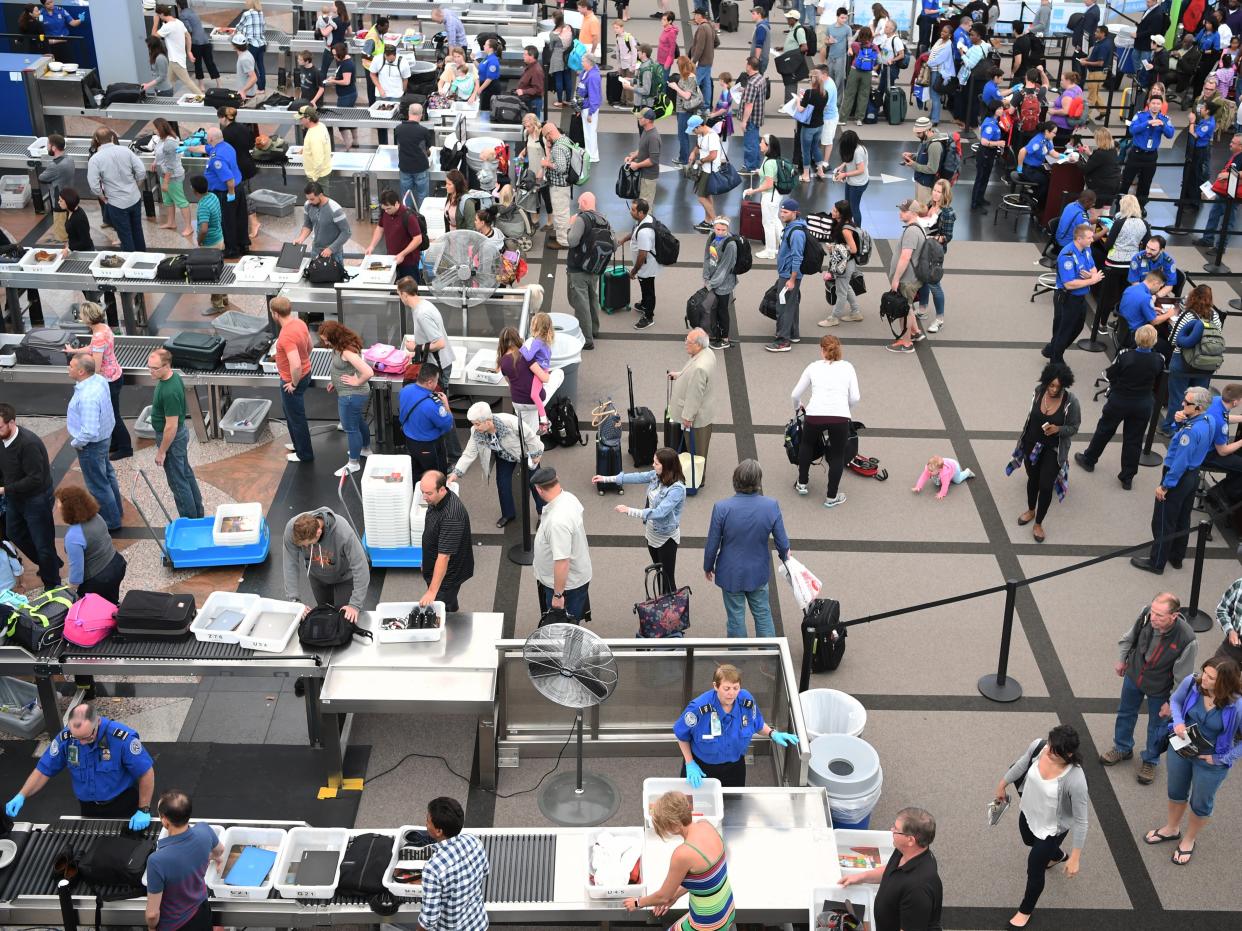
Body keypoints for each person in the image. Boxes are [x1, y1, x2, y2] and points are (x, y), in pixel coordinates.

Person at [1145, 656, 1242, 865]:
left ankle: (1189, 839)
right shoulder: (1193, 682)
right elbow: (1176, 701)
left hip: (1211, 762)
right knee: (1176, 791)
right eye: (1204, 672)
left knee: (1200, 803)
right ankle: (1172, 828)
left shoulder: (1238, 706)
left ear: (1224, 683)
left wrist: (1221, 758)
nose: (1203, 679)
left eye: (1210, 677)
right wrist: (1178, 721)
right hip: (1182, 747)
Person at [991, 726, 1089, 928]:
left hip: (1051, 829)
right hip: (1028, 811)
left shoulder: (1076, 780)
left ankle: (1025, 911)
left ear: (1069, 754)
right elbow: (1021, 765)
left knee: (1035, 869)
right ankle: (1057, 856)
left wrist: (1077, 857)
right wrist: (1002, 784)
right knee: (1027, 839)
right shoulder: (1040, 746)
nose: (1050, 753)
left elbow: (1081, 820)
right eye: (1050, 746)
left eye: (1057, 752)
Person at [1101, 592, 1198, 784]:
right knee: (1125, 712)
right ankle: (1122, 747)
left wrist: (1172, 703)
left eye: (1159, 615)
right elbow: (1129, 638)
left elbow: (1184, 678)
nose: (1153, 618)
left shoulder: (1187, 639)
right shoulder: (1146, 615)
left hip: (1161, 687)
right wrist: (1122, 660)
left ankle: (1151, 760)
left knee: (1158, 725)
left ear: (1174, 616)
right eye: (1153, 612)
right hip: (1135, 675)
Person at [5, 702, 153, 824]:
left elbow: (146, 772)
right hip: (88, 807)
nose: (81, 743)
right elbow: (44, 770)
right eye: (77, 738)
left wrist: (143, 809)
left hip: (122, 803)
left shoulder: (121, 738)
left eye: (86, 738)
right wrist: (22, 795)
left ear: (98, 723)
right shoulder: (67, 737)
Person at [671, 664, 798, 789]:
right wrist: (690, 763)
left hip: (734, 767)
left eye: (735, 688)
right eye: (726, 689)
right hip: (702, 767)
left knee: (734, 805)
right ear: (716, 686)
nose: (731, 693)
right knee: (698, 805)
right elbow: (681, 735)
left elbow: (756, 724)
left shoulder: (746, 701)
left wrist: (772, 733)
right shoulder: (699, 708)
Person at [1133, 386, 1214, 574]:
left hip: (1178, 477)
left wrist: (1165, 486)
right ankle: (1177, 557)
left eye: (1187, 403)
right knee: (1182, 518)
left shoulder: (1190, 432)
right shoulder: (1208, 420)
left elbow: (1180, 462)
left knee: (1163, 521)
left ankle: (1156, 562)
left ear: (1198, 408)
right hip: (1193, 476)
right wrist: (1182, 422)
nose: (1182, 404)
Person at [704, 459, 790, 637]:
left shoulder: (722, 508)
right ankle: (769, 657)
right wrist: (785, 557)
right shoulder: (771, 505)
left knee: (735, 617)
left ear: (735, 479)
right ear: (758, 481)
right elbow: (783, 543)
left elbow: (712, 542)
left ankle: (738, 660)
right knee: (763, 614)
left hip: (730, 571)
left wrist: (708, 566)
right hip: (758, 571)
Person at [625, 791, 735, 925]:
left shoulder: (683, 853)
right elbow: (706, 877)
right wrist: (675, 895)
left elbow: (663, 897)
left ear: (672, 824)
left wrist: (637, 902)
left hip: (709, 921)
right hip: (727, 907)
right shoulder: (706, 825)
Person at [1075, 326, 1165, 487]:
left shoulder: (1125, 355)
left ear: (1136, 338)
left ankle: (1089, 459)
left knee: (1104, 430)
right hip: (1143, 403)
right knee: (1134, 440)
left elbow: (1111, 374)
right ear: (1154, 341)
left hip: (1120, 399)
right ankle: (1127, 477)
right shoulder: (1159, 359)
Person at [592, 447, 687, 593]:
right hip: (651, 533)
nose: (652, 465)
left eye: (656, 463)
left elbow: (660, 512)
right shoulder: (657, 475)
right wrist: (606, 478)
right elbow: (637, 477)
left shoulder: (677, 489)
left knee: (667, 578)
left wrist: (629, 511)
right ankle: (664, 605)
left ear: (666, 466)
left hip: (666, 538)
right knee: (658, 570)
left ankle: (672, 610)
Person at [839, 807, 943, 931]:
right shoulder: (906, 851)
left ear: (910, 840)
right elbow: (890, 870)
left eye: (896, 830)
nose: (891, 830)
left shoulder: (918, 889)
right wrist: (861, 877)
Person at [1010, 363, 1080, 543]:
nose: (1054, 389)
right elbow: (1030, 417)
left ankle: (1039, 523)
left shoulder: (1071, 402)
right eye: (1051, 385)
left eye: (1058, 386)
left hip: (1053, 450)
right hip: (1031, 444)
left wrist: (1058, 429)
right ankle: (1031, 510)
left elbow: (1074, 427)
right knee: (1032, 479)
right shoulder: (1038, 391)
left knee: (1046, 486)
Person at [449, 402, 543, 529]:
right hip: (503, 456)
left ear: (488, 421)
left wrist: (536, 453)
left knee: (536, 483)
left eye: (477, 424)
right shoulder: (476, 432)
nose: (475, 427)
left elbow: (530, 436)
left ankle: (542, 514)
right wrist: (456, 472)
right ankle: (508, 514)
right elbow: (469, 453)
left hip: (524, 454)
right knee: (502, 483)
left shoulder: (510, 422)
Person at [791, 334, 859, 506]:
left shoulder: (813, 367)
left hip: (814, 414)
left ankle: (802, 483)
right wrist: (845, 410)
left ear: (822, 350)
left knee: (807, 445)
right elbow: (855, 398)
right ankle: (831, 496)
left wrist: (797, 406)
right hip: (840, 417)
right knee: (837, 456)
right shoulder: (848, 367)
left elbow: (795, 394)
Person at [145, 790, 223, 931]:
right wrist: (210, 857)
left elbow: (152, 914)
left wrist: (151, 928)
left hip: (173, 926)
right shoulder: (204, 830)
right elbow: (219, 850)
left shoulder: (156, 860)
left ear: (165, 820)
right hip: (201, 913)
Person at [0, 405, 59, 589]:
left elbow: (35, 479)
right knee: (14, 532)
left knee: (43, 543)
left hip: (36, 499)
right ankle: (50, 564)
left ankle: (52, 584)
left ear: (12, 422)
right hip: (15, 496)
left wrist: (4, 489)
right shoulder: (2, 440)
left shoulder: (28, 444)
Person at [144, 350, 203, 521]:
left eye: (154, 368)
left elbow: (171, 426)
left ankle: (189, 520)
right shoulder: (173, 377)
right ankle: (197, 512)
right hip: (178, 436)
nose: (151, 372)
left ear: (166, 366)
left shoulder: (169, 391)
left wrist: (162, 451)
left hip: (172, 439)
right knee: (185, 473)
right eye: (149, 368)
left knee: (178, 482)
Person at [66, 355, 122, 532]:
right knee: (107, 475)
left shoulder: (87, 397)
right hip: (105, 437)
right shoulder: (98, 379)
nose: (68, 368)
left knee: (98, 485)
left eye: (71, 366)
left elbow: (89, 431)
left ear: (81, 371)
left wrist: (77, 442)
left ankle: (111, 522)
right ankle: (116, 512)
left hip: (92, 445)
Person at [281, 508, 369, 621]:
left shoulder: (343, 532)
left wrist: (355, 605)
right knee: (326, 615)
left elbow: (361, 566)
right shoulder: (292, 529)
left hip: (344, 578)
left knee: (344, 619)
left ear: (318, 532)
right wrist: (294, 601)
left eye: (307, 544)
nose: (305, 547)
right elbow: (289, 564)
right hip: (317, 577)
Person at [419, 797, 489, 931]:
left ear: (439, 831)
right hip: (478, 924)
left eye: (428, 821)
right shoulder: (473, 841)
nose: (426, 824)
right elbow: (484, 871)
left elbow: (429, 919)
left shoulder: (433, 868)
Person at [1160, 286, 1223, 435]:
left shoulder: (1188, 316)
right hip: (1206, 365)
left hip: (1183, 363)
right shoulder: (1215, 316)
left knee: (1178, 397)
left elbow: (1174, 340)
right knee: (1198, 399)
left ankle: (1170, 427)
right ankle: (1190, 427)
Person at [530, 466, 591, 618]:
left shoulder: (557, 521)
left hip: (566, 587)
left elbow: (562, 561)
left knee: (564, 628)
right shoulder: (569, 497)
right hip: (573, 580)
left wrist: (558, 595)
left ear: (539, 490)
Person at [317, 321, 372, 476]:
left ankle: (353, 463)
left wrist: (357, 381)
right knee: (358, 421)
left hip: (350, 396)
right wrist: (334, 381)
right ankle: (365, 449)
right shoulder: (342, 345)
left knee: (351, 428)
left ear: (335, 337)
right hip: (351, 394)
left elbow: (368, 372)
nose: (325, 342)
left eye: (327, 339)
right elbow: (344, 368)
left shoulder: (347, 352)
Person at [1045, 223, 1103, 364]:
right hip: (1066, 297)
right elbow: (1069, 284)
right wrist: (1092, 280)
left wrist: (1090, 276)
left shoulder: (1086, 249)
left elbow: (1094, 268)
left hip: (1080, 296)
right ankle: (1056, 359)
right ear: (1078, 238)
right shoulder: (1067, 255)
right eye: (1089, 237)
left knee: (1077, 327)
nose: (1092, 240)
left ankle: (1051, 349)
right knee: (1063, 330)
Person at [418, 471, 474, 612]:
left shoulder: (451, 516)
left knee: (441, 611)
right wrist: (426, 561)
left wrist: (432, 592)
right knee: (449, 603)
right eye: (422, 492)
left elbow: (444, 557)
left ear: (442, 489)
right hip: (437, 568)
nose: (424, 497)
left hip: (448, 576)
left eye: (428, 493)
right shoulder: (436, 499)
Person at [86, 127, 147, 253]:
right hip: (134, 198)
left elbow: (94, 185)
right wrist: (136, 186)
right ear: (113, 137)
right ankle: (142, 257)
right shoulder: (126, 151)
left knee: (125, 235)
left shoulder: (95, 159)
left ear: (97, 140)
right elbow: (141, 171)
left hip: (115, 203)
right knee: (137, 231)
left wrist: (102, 197)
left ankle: (130, 264)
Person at [269, 296, 314, 465]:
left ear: (275, 314)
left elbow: (295, 365)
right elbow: (310, 346)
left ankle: (304, 454)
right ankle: (298, 444)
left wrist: (294, 383)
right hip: (306, 372)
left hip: (293, 380)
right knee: (289, 412)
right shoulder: (300, 323)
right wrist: (304, 361)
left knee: (296, 418)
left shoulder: (286, 335)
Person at [188, 127, 244, 258]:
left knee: (227, 221)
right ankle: (242, 244)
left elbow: (229, 179)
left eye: (207, 136)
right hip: (238, 187)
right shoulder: (225, 146)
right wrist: (187, 149)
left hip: (226, 192)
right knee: (239, 219)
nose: (206, 138)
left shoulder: (217, 158)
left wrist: (230, 194)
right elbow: (203, 148)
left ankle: (231, 250)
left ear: (212, 139)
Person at [886, 199, 928, 354]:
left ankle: (906, 342)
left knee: (904, 309)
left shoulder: (911, 231)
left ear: (913, 213)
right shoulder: (918, 228)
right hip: (914, 277)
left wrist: (896, 279)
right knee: (908, 306)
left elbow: (905, 257)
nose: (900, 212)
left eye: (904, 211)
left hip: (907, 279)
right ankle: (915, 332)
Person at [566, 192, 609, 341]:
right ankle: (594, 330)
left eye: (579, 203)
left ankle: (586, 338)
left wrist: (571, 226)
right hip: (595, 268)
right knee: (592, 299)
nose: (578, 206)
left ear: (584, 202)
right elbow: (614, 243)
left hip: (578, 269)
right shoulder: (604, 220)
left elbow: (572, 241)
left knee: (580, 302)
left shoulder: (581, 219)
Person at [767, 198, 809, 353]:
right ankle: (793, 333)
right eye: (781, 211)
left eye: (785, 212)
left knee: (783, 307)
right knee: (792, 304)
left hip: (789, 275)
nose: (781, 214)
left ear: (795, 213)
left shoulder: (796, 233)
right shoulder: (794, 227)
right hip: (788, 274)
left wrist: (792, 279)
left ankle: (783, 340)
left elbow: (797, 257)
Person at [399, 365, 455, 478]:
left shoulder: (405, 390)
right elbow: (448, 425)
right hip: (429, 446)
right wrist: (446, 406)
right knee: (436, 477)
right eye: (436, 381)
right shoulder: (433, 405)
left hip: (409, 441)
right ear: (429, 382)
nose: (437, 384)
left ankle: (417, 492)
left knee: (415, 473)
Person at [916, 179, 954, 332]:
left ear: (945, 194)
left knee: (934, 283)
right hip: (923, 248)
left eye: (939, 192)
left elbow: (948, 236)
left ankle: (939, 319)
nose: (936, 194)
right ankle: (923, 309)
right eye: (935, 190)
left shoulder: (947, 212)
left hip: (935, 251)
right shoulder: (930, 204)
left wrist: (932, 238)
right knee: (922, 278)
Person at [1121, 94, 1175, 202]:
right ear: (1149, 104)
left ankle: (1141, 206)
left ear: (1161, 105)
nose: (1155, 106)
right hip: (1136, 153)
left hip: (1151, 155)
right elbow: (1132, 130)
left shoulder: (1164, 119)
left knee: (1145, 183)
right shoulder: (1140, 115)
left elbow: (1170, 135)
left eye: (1158, 104)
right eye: (1153, 103)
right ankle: (1119, 205)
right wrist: (1147, 123)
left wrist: (1162, 125)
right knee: (1126, 180)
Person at [1196, 133, 1242, 251]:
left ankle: (1221, 247)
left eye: (1233, 143)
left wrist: (1228, 175)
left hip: (1233, 195)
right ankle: (1208, 239)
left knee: (1228, 222)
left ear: (1240, 146)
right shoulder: (1235, 156)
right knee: (1214, 215)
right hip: (1223, 192)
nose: (1230, 144)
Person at [364, 189, 423, 282]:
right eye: (384, 209)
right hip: (391, 259)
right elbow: (380, 228)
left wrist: (402, 254)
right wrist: (372, 246)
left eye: (388, 208)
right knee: (393, 288)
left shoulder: (409, 216)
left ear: (396, 203)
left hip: (408, 262)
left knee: (410, 290)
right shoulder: (385, 213)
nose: (386, 211)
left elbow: (418, 239)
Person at [745, 135, 786, 260]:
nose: (759, 144)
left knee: (768, 223)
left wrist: (754, 191)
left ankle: (770, 251)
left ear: (768, 146)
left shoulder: (769, 163)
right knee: (775, 220)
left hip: (770, 196)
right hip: (776, 195)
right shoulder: (771, 159)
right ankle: (784, 246)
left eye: (762, 142)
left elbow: (768, 184)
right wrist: (760, 171)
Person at [149, 118, 192, 238]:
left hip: (172, 176)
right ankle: (171, 222)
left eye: (155, 128)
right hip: (164, 174)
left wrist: (166, 182)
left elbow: (171, 165)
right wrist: (155, 161)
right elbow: (160, 153)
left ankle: (189, 227)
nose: (153, 130)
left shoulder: (170, 143)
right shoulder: (162, 139)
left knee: (181, 201)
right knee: (168, 200)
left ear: (160, 129)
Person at [293, 182, 351, 266]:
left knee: (335, 279)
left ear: (320, 195)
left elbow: (346, 232)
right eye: (308, 199)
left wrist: (331, 249)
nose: (309, 201)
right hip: (316, 251)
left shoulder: (335, 209)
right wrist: (301, 238)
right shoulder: (308, 205)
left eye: (312, 199)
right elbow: (307, 225)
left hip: (333, 254)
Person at [702, 218, 738, 349]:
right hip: (712, 279)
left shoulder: (730, 245)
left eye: (723, 230)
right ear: (713, 227)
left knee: (722, 310)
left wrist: (710, 284)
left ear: (727, 229)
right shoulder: (712, 236)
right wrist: (706, 276)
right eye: (718, 229)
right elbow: (707, 257)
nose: (720, 232)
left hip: (724, 284)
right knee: (714, 308)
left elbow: (725, 268)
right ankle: (714, 332)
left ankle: (724, 338)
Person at [153, 4, 201, 96]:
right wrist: (189, 51)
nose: (158, 17)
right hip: (176, 58)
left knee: (187, 82)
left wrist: (155, 23)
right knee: (170, 82)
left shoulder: (167, 27)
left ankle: (205, 100)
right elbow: (188, 36)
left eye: (158, 15)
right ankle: (166, 99)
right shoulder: (178, 22)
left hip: (175, 60)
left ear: (162, 14)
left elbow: (153, 37)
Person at [541, 123, 574, 249]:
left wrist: (546, 163)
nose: (546, 139)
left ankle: (562, 241)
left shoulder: (558, 148)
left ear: (549, 133)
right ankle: (562, 234)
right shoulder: (564, 139)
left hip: (559, 186)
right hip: (564, 185)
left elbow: (561, 168)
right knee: (563, 212)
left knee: (561, 213)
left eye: (546, 137)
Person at [38, 134, 74, 243]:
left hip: (59, 202)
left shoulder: (54, 165)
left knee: (61, 236)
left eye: (48, 145)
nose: (47, 147)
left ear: (54, 148)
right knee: (68, 225)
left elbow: (42, 178)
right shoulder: (70, 159)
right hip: (69, 197)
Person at [736, 57, 767, 174]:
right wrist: (745, 91)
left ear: (749, 66)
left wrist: (744, 121)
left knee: (750, 143)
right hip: (758, 116)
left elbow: (749, 105)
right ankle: (755, 164)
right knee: (754, 142)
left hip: (751, 118)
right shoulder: (760, 78)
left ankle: (749, 167)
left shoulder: (752, 84)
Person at [626, 110, 662, 208]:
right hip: (643, 175)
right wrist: (633, 156)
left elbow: (653, 160)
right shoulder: (646, 132)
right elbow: (642, 148)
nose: (638, 119)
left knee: (645, 206)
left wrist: (637, 165)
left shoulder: (653, 137)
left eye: (640, 117)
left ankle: (646, 223)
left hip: (648, 177)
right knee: (640, 204)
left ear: (647, 120)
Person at [672, 56, 703, 167]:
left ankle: (684, 159)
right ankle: (683, 157)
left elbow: (686, 95)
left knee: (682, 135)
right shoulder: (687, 76)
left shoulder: (690, 78)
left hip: (685, 110)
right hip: (682, 109)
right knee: (683, 134)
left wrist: (675, 87)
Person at [325, 42, 358, 150]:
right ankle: (355, 140)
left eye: (335, 55)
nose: (334, 57)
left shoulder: (347, 64)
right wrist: (334, 77)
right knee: (351, 116)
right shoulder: (342, 61)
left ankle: (348, 144)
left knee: (341, 120)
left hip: (346, 95)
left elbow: (346, 81)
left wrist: (333, 81)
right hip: (348, 94)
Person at [1017, 121, 1056, 211]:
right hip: (1027, 169)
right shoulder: (1038, 141)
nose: (1055, 135)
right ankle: (1033, 199)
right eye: (1054, 133)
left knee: (1049, 178)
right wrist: (1019, 168)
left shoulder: (1047, 140)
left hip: (1035, 167)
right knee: (1045, 182)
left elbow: (1053, 152)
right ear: (1047, 132)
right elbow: (1022, 151)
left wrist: (1066, 157)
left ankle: (1033, 194)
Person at [1082, 127, 1121, 206]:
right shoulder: (1113, 150)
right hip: (1113, 186)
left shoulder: (1099, 153)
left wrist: (1075, 161)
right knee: (1106, 210)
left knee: (1095, 211)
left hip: (1101, 188)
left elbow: (1085, 169)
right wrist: (1090, 154)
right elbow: (1101, 162)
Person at [236, 0, 267, 92]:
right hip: (261, 44)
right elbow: (263, 29)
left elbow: (239, 27)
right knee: (261, 66)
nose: (245, 2)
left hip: (251, 45)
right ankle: (262, 88)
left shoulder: (246, 14)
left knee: (251, 68)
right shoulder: (261, 13)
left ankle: (259, 87)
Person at [578, 53, 603, 163]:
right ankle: (589, 152)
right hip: (585, 106)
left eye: (583, 61)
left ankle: (593, 156)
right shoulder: (587, 73)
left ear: (589, 63)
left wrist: (590, 113)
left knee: (590, 132)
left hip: (589, 108)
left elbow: (594, 96)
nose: (581, 63)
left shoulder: (593, 77)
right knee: (587, 132)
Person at [298, 106, 332, 185]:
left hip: (318, 176)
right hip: (324, 170)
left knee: (319, 197)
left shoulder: (314, 136)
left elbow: (318, 160)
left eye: (301, 118)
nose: (300, 121)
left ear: (308, 118)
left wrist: (314, 178)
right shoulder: (321, 125)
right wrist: (306, 148)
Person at [690, 8, 716, 106]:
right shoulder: (710, 25)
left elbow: (699, 48)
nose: (694, 17)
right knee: (707, 83)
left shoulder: (702, 28)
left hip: (702, 61)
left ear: (700, 16)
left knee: (694, 83)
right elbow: (717, 42)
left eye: (695, 15)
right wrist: (709, 49)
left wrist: (693, 61)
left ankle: (692, 103)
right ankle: (706, 105)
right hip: (709, 60)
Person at [515, 46, 546, 120]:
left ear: (531, 56)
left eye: (525, 54)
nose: (523, 56)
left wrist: (523, 91)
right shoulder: (531, 67)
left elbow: (538, 89)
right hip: (529, 101)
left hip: (533, 103)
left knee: (533, 125)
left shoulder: (536, 70)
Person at [230, 32, 258, 100]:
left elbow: (254, 78)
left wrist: (243, 91)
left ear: (235, 46)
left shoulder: (244, 59)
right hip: (246, 92)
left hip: (246, 95)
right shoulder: (246, 54)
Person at [752, 6, 773, 75]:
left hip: (760, 60)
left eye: (753, 13)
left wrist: (756, 60)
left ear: (759, 14)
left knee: (756, 80)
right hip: (762, 59)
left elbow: (759, 45)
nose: (752, 15)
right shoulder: (764, 25)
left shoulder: (761, 28)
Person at [658, 12, 679, 80]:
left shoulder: (671, 33)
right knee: (659, 79)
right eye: (662, 19)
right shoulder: (666, 29)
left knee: (663, 81)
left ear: (670, 21)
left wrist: (667, 63)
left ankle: (664, 91)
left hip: (665, 62)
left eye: (664, 20)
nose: (662, 21)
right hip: (660, 60)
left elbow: (672, 49)